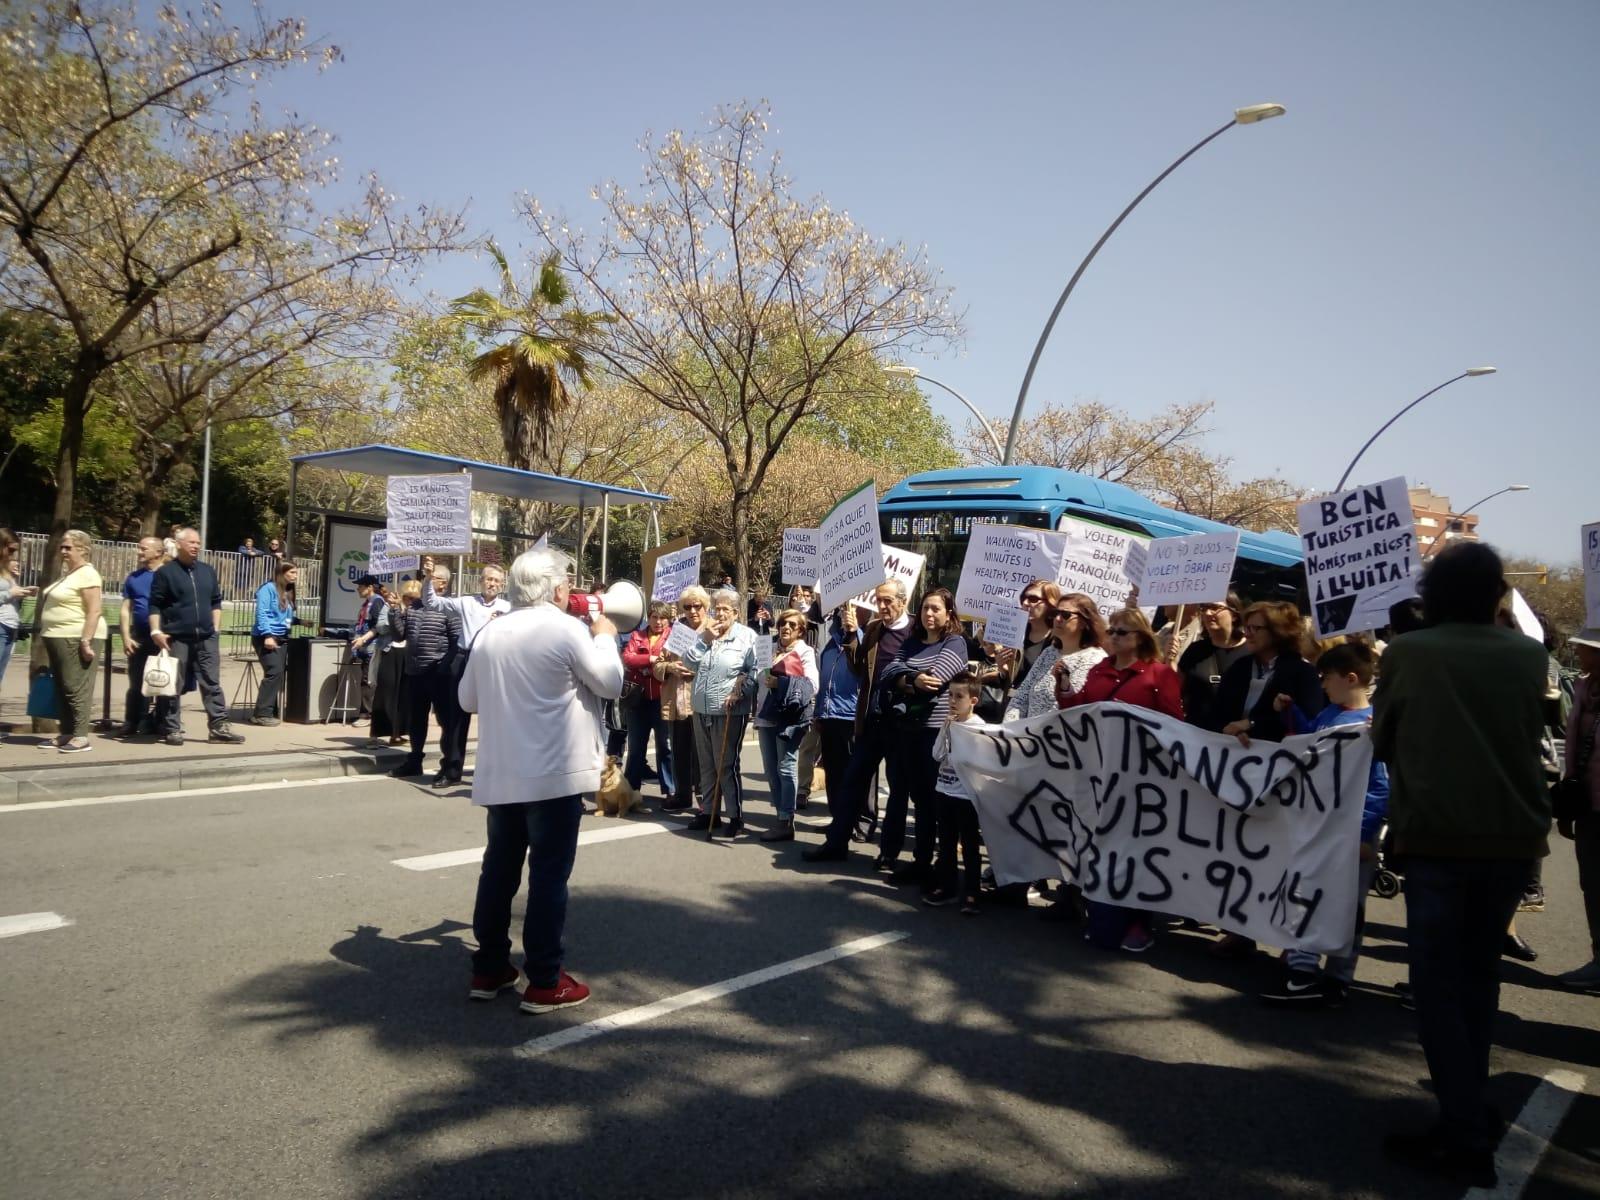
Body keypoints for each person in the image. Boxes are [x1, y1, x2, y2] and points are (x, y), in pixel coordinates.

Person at [1371, 542, 1549, 1188]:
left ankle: (1464, 1128)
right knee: (1479, 979)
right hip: (1513, 837)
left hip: (1439, 835)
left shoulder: (1411, 654)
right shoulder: (1530, 656)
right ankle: (1470, 1100)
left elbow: (1381, 735)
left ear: (1433, 590)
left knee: (1438, 988)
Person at [460, 544, 622, 1014]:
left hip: (502, 773)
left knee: (498, 872)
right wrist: (606, 637)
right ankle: (545, 978)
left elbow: (467, 698)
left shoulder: (491, 633)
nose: (569, 588)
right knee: (549, 877)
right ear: (554, 588)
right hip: (553, 774)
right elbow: (610, 683)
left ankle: (489, 967)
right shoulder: (566, 628)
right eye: (567, 581)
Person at [1260, 642, 1390, 1008]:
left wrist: (1364, 835)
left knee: (1349, 908)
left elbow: (1380, 788)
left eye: (1326, 678)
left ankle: (1336, 978)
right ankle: (1303, 972)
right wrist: (1292, 714)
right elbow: (1309, 747)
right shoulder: (1330, 715)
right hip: (1320, 830)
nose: (1322, 685)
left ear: (1350, 679)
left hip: (1350, 838)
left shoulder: (1370, 727)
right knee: (1306, 896)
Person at [1062, 607, 1183, 952]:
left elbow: (1174, 725)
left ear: (1140, 638)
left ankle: (1139, 923)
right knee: (1101, 845)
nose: (1112, 636)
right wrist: (1067, 689)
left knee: (1134, 851)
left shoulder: (1159, 675)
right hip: (1099, 773)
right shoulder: (1101, 669)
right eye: (1111, 631)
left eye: (1121, 632)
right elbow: (1080, 711)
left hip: (1140, 777)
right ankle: (1103, 917)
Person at [802, 580, 918, 864]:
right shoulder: (876, 629)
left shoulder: (915, 631)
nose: (882, 606)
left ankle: (889, 853)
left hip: (901, 722)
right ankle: (836, 843)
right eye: (879, 600)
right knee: (852, 781)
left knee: (898, 789)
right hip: (871, 719)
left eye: (888, 601)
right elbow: (857, 666)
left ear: (903, 601)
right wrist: (853, 635)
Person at [877, 587, 970, 885]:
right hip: (908, 729)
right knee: (918, 798)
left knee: (936, 800)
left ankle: (940, 867)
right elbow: (886, 672)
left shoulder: (955, 643)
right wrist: (909, 678)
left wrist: (904, 680)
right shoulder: (911, 641)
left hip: (935, 733)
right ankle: (921, 859)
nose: (929, 614)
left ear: (949, 613)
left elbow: (935, 679)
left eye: (936, 609)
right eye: (926, 608)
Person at [148, 528, 245, 747]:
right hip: (177, 638)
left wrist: (216, 629)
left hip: (206, 638)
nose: (195, 546)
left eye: (198, 543)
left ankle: (219, 727)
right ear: (179, 544)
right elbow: (155, 604)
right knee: (173, 684)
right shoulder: (166, 572)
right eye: (191, 542)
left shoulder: (207, 571)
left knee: (212, 682)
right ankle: (171, 727)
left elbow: (215, 601)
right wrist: (156, 631)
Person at [420, 555, 510, 785]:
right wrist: (428, 579)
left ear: (502, 585)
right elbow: (433, 603)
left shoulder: (508, 609)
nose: (491, 583)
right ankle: (451, 770)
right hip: (464, 658)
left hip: (492, 662)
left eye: (496, 581)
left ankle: (493, 771)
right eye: (488, 579)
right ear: (480, 581)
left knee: (494, 718)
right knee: (456, 719)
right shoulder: (466, 602)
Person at [681, 588, 758, 836]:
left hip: (728, 712)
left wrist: (739, 693)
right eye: (717, 609)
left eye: (726, 609)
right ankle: (708, 812)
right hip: (701, 708)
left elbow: (756, 672)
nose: (720, 613)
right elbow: (688, 662)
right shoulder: (706, 634)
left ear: (736, 613)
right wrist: (704, 640)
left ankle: (734, 816)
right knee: (706, 765)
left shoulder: (747, 637)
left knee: (725, 764)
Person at [35, 530, 106, 753]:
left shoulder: (88, 574)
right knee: (62, 686)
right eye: (62, 547)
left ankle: (81, 737)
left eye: (68, 547)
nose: (63, 551)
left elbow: (94, 611)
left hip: (75, 636)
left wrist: (86, 641)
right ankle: (67, 733)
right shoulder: (70, 574)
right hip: (57, 635)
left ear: (83, 549)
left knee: (76, 687)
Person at [1557, 627, 1600, 993]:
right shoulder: (1584, 689)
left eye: (1587, 649)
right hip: (1587, 803)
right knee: (1593, 885)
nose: (1581, 654)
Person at [753, 608, 819, 842]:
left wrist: (780, 683)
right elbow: (756, 676)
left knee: (786, 767)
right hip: (766, 714)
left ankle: (785, 820)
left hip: (790, 718)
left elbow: (812, 684)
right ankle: (781, 814)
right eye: (783, 623)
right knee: (771, 770)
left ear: (801, 630)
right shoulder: (767, 648)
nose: (786, 627)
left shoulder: (805, 652)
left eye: (792, 624)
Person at [389, 578, 463, 785]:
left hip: (439, 675)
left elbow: (457, 641)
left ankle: (448, 765)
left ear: (445, 585)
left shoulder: (448, 608)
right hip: (415, 672)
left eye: (439, 580)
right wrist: (394, 611)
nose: (435, 584)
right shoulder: (414, 607)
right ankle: (414, 760)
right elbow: (399, 635)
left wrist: (442, 667)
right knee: (416, 720)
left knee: (445, 721)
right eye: (431, 580)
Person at [925, 672, 988, 914]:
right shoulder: (949, 722)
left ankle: (972, 891)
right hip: (945, 789)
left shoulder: (978, 727)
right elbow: (936, 754)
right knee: (947, 843)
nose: (952, 700)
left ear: (972, 700)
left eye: (959, 696)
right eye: (950, 695)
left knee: (970, 844)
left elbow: (980, 761)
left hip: (965, 795)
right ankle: (946, 886)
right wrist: (945, 729)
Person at [1005, 591, 1107, 719]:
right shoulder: (1050, 652)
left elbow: (1070, 708)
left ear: (1084, 622)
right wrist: (1009, 728)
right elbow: (1021, 696)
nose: (1057, 619)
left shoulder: (1095, 659)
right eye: (1055, 613)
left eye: (1065, 615)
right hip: (1025, 734)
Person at [653, 586, 708, 813]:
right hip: (677, 703)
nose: (693, 611)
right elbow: (657, 664)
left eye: (698, 606)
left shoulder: (713, 631)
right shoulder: (678, 633)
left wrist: (698, 670)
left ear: (706, 607)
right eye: (688, 606)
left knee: (702, 756)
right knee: (679, 751)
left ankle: (704, 798)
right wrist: (670, 667)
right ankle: (682, 795)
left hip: (702, 704)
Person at [118, 536, 172, 737]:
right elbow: (126, 609)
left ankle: (163, 722)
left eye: (143, 549)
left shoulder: (169, 575)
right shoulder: (134, 578)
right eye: (139, 548)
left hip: (164, 637)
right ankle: (132, 721)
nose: (139, 552)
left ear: (158, 552)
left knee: (164, 681)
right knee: (136, 682)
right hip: (139, 636)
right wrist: (126, 636)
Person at [621, 602, 676, 799]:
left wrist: (648, 662)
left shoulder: (673, 637)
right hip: (638, 700)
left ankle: (670, 791)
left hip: (663, 699)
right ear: (649, 617)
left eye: (663, 618)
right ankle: (630, 791)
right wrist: (652, 660)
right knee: (636, 748)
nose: (659, 622)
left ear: (668, 619)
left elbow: (673, 662)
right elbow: (628, 658)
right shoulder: (638, 635)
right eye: (654, 617)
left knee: (665, 747)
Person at [1175, 593, 1250, 731]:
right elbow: (1175, 691)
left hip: (1235, 740)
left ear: (1234, 615)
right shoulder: (1195, 651)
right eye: (1204, 608)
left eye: (1215, 608)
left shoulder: (1252, 653)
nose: (1208, 613)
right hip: (1194, 734)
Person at [355, 581, 407, 745]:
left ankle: (395, 733)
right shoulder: (386, 605)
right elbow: (381, 628)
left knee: (401, 696)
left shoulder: (414, 610)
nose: (410, 600)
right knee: (384, 694)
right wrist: (394, 612)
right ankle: (374, 735)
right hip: (388, 651)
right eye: (408, 597)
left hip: (405, 654)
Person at [249, 560, 298, 725]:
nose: (295, 576)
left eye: (296, 573)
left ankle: (271, 709)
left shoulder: (287, 591)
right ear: (281, 573)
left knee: (278, 674)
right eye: (291, 572)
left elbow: (283, 616)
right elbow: (262, 613)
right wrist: (267, 635)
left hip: (282, 637)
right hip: (266, 637)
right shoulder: (267, 589)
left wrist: (299, 621)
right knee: (274, 671)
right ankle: (261, 713)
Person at [0, 527, 37, 696]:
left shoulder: (6, 571)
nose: (13, 555)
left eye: (16, 551)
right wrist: (10, 593)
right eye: (11, 550)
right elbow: (6, 596)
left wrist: (22, 592)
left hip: (10, 627)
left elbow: (11, 602)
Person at [347, 575, 385, 724]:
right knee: (365, 679)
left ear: (369, 587)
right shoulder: (367, 603)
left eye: (360, 586)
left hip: (372, 647)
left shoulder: (376, 602)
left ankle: (367, 714)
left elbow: (378, 627)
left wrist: (363, 639)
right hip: (364, 647)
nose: (358, 589)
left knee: (368, 680)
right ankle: (365, 712)